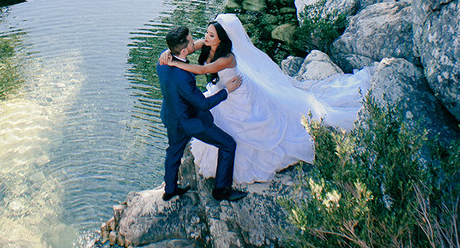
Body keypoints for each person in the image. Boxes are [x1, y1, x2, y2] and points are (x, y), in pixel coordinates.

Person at [159, 13, 373, 183]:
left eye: (210, 35)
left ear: (222, 39)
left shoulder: (227, 57)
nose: (204, 38)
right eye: (206, 33)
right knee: (218, 125)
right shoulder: (209, 43)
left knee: (248, 130)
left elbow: (202, 69)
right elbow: (187, 47)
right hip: (224, 91)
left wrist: (176, 63)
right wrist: (168, 52)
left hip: (237, 93)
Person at [157, 24, 247, 202]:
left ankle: (170, 190)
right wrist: (226, 91)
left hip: (171, 117)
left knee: (173, 151)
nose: (194, 42)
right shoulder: (183, 77)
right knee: (228, 144)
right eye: (191, 42)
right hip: (190, 121)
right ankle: (221, 190)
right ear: (183, 51)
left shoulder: (162, 62)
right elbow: (203, 104)